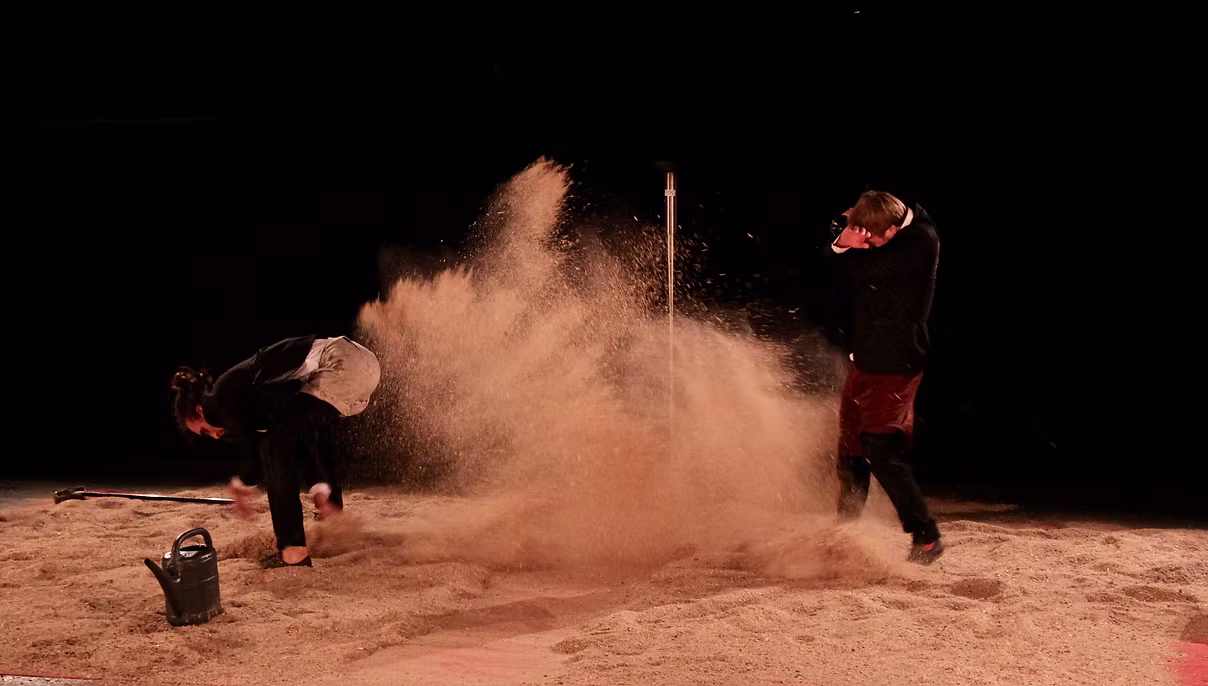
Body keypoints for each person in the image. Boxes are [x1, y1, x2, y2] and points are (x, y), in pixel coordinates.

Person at [170, 335, 382, 568]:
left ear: (200, 410)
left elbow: (255, 450)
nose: (215, 436)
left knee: (273, 446)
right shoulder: (259, 401)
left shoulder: (216, 401)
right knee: (286, 439)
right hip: (363, 366)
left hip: (341, 362)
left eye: (204, 431)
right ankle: (333, 521)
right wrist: (319, 487)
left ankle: (293, 552)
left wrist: (242, 483)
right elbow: (306, 437)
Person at [828, 190, 944, 564]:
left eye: (872, 239)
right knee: (850, 450)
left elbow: (867, 271)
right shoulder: (888, 231)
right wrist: (846, 239)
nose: (869, 245)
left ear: (893, 229)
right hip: (865, 358)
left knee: (879, 450)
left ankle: (926, 536)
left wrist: (846, 244)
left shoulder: (921, 241)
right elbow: (845, 259)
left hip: (896, 364)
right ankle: (845, 529)